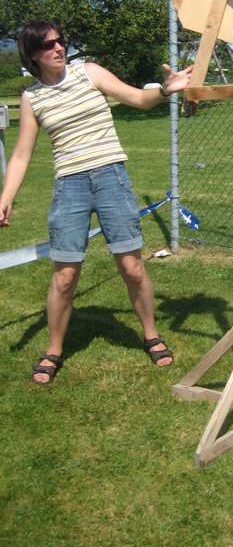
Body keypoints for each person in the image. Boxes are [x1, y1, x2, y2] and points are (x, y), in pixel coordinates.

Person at [0, 20, 193, 384]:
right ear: (32, 54)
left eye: (60, 41)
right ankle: (54, 349)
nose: (58, 48)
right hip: (69, 187)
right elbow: (22, 154)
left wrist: (164, 90)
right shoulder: (31, 98)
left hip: (111, 179)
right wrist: (5, 197)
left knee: (132, 268)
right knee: (64, 278)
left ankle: (152, 335)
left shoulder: (89, 72)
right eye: (48, 45)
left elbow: (138, 99)